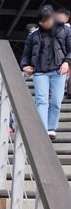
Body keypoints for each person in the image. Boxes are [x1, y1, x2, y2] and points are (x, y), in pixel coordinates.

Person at [21, 4, 71, 139]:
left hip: (58, 71)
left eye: (48, 20)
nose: (46, 23)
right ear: (40, 21)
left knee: (55, 101)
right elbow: (26, 55)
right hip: (40, 72)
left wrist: (67, 62)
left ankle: (51, 128)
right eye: (43, 20)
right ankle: (42, 129)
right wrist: (25, 65)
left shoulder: (65, 30)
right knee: (41, 101)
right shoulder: (33, 35)